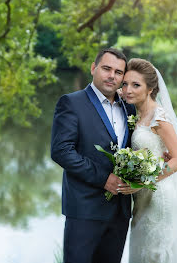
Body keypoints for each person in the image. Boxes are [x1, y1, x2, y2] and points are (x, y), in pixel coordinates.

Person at [51, 48, 136, 263]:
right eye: (106, 69)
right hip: (84, 210)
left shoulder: (130, 107)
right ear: (93, 68)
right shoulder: (71, 103)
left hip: (120, 211)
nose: (112, 76)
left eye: (118, 72)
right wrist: (104, 178)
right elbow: (62, 151)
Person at [118, 58, 177, 263]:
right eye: (125, 84)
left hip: (159, 198)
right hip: (142, 197)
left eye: (135, 85)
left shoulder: (159, 117)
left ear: (150, 89)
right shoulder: (138, 114)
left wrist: (143, 181)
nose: (128, 89)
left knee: (154, 254)